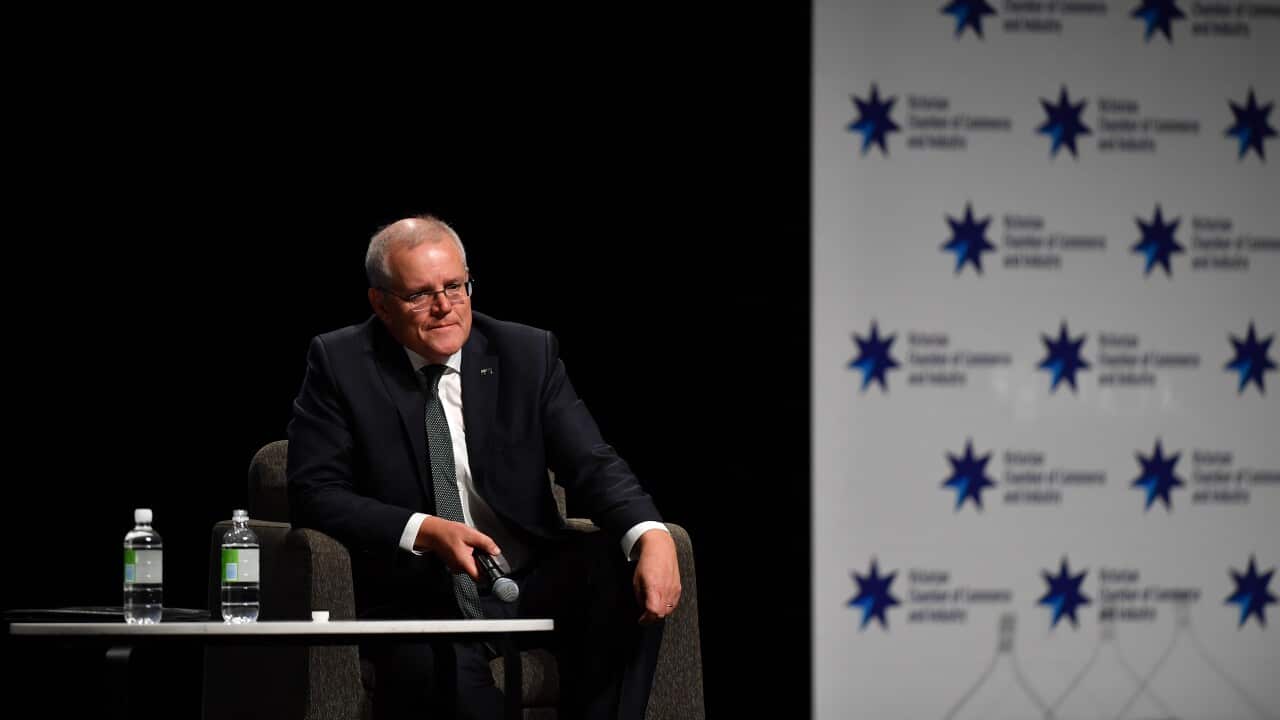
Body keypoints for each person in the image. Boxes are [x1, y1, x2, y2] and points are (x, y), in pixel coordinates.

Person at [286, 215, 681, 720]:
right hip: (418, 592)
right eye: (419, 295)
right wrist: (426, 531)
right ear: (380, 303)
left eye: (455, 286)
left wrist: (651, 533)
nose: (444, 307)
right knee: (446, 683)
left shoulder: (526, 352)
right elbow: (314, 492)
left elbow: (592, 463)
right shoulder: (340, 363)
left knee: (620, 569)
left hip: (526, 573)